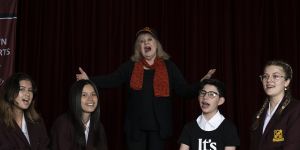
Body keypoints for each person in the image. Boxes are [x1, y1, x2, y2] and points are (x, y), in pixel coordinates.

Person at [76, 26, 216, 150]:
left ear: (156, 45)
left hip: (159, 130)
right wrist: (89, 79)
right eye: (142, 41)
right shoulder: (130, 66)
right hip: (135, 129)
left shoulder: (169, 67)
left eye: (149, 39)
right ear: (139, 48)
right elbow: (112, 79)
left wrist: (201, 84)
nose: (146, 43)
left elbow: (183, 90)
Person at [250, 60, 300, 150]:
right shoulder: (258, 115)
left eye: (275, 76)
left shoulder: (296, 109)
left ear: (286, 81)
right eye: (265, 76)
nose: (269, 80)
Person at [178, 79, 240, 150]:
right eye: (202, 93)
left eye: (211, 94)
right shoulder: (189, 127)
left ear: (220, 101)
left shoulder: (229, 128)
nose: (205, 97)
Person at [50, 79, 108, 150]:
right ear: (75, 98)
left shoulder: (98, 127)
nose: (90, 99)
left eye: (93, 94)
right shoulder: (64, 124)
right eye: (84, 95)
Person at [0, 73, 49, 150]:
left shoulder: (37, 122)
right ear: (11, 92)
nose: (27, 94)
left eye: (30, 90)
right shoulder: (2, 123)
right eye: (22, 89)